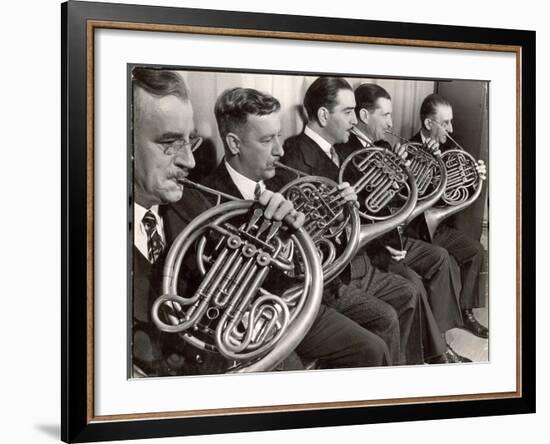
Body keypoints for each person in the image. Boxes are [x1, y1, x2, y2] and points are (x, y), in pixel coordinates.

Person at [131, 68, 389, 376]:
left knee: (373, 345)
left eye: (192, 142)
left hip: (279, 307)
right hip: (222, 345)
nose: (190, 161)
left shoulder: (205, 199)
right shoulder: (204, 203)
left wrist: (296, 232)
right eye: (170, 142)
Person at [269, 77, 428, 365]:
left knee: (407, 293)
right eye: (348, 112)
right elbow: (298, 232)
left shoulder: (340, 151)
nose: (355, 120)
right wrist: (337, 208)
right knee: (388, 316)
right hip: (328, 277)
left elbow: (368, 206)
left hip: (356, 260)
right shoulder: (293, 156)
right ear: (323, 115)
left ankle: (403, 369)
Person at [336, 82, 472, 363]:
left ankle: (442, 340)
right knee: (413, 285)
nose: (391, 122)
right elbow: (363, 207)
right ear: (364, 116)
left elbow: (404, 197)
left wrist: (416, 170)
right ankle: (429, 355)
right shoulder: (347, 150)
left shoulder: (385, 145)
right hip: (375, 246)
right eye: (385, 115)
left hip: (395, 237)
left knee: (440, 257)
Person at [408, 93, 489, 339]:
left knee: (476, 251)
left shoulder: (451, 149)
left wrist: (476, 176)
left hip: (438, 227)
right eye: (445, 123)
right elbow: (407, 198)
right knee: (445, 260)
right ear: (428, 123)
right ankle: (438, 337)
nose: (451, 128)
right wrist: (424, 163)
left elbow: (456, 195)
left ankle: (466, 313)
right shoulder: (408, 149)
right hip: (415, 230)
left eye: (450, 122)